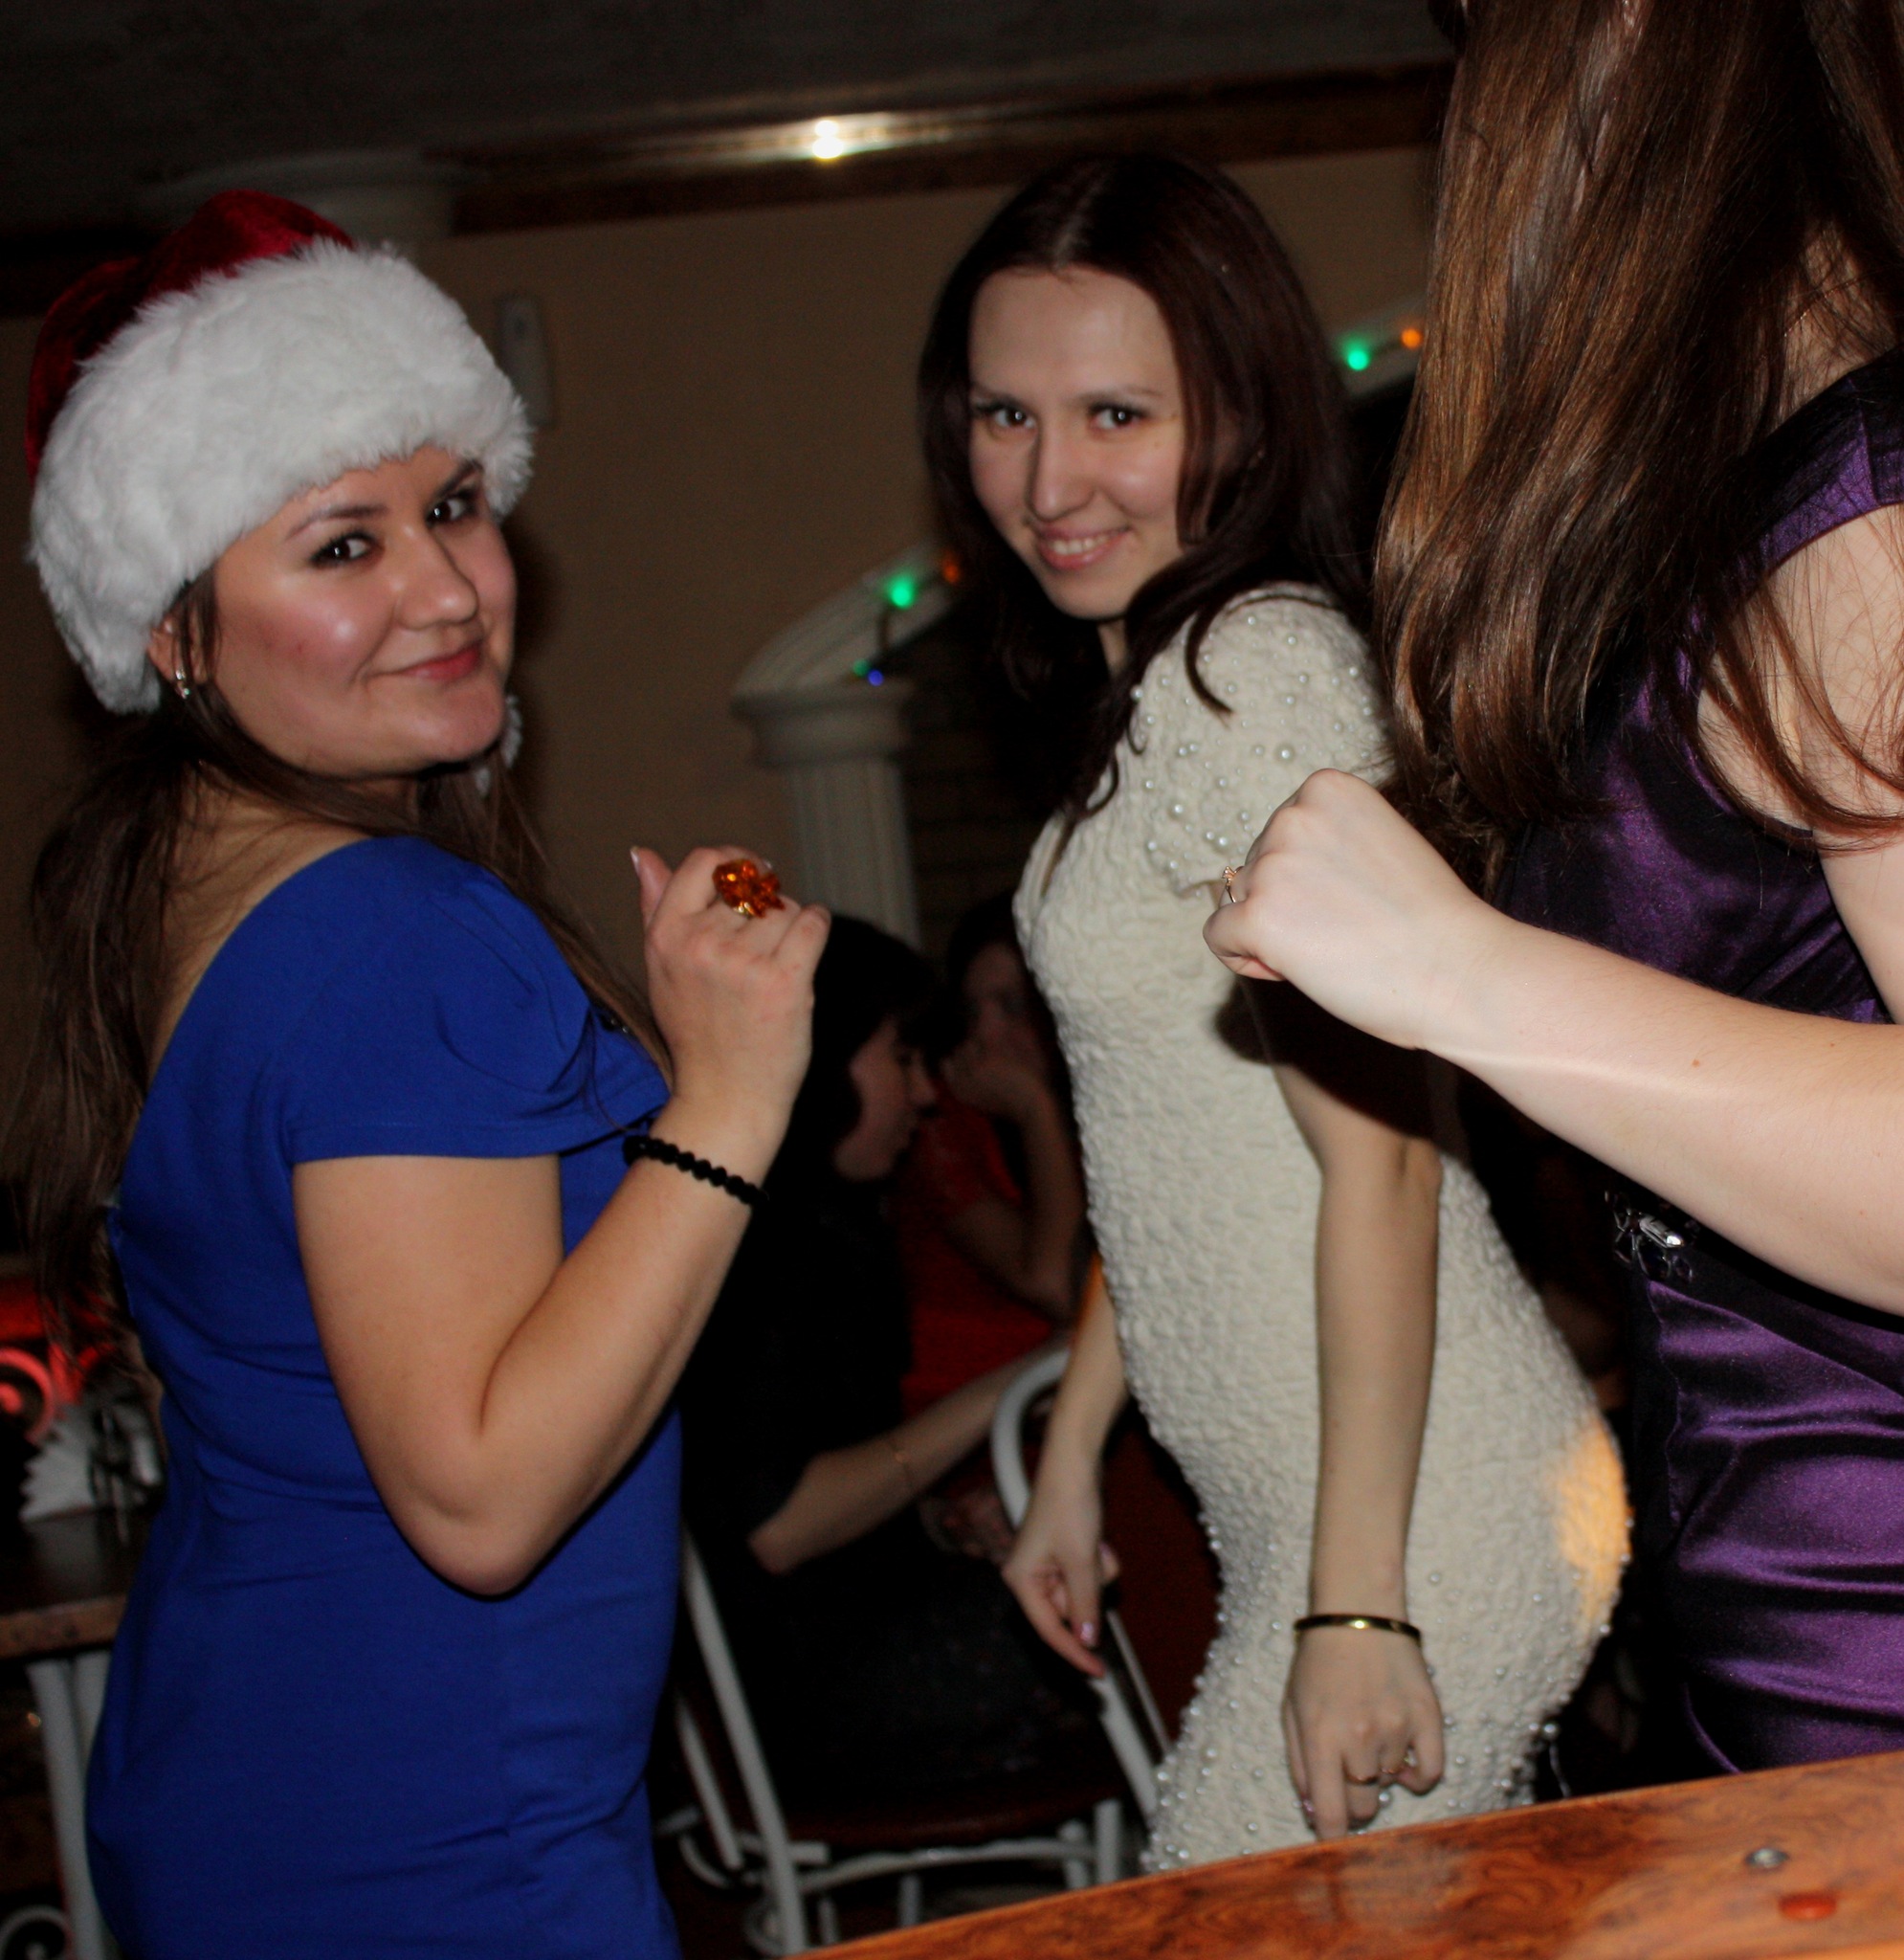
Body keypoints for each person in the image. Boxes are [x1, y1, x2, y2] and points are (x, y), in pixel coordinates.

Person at [13, 191, 828, 1958]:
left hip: (245, 1777)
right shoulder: (401, 932)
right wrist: (731, 1095)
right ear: (172, 629)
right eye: (341, 546)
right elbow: (481, 1497)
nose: (447, 589)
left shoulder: (171, 888)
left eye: (454, 505)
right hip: (436, 1839)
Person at [1208, 0, 1904, 1778]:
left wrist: (1460, 973)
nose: (1470, 113)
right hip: (1778, 1618)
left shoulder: (1865, 511)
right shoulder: (1772, 500)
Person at [918, 152, 1627, 1856]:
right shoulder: (1158, 698)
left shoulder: (1253, 679)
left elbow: (1380, 1158)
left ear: (1234, 417)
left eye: (1115, 414)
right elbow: (1169, 1139)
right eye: (1006, 415)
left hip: (1420, 1520)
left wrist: (1359, 1606)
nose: (1050, 481)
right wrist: (1073, 1448)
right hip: (1339, 1518)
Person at [681, 917, 1088, 1801]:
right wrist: (1017, 1384)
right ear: (821, 1057)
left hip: (843, 1639)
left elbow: (827, 1476)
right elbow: (779, 1528)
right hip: (805, 1691)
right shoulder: (762, 1250)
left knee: (1092, 1590)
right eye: (901, 1059)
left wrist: (939, 1524)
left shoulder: (828, 1227)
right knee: (1110, 1617)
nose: (925, 1093)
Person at [895, 894, 1087, 1415]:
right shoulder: (938, 1118)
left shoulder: (1105, 1106)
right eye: (971, 1010)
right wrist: (1035, 1110)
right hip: (964, 1418)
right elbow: (1055, 1285)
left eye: (1013, 1007)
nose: (984, 1035)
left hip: (1065, 1403)